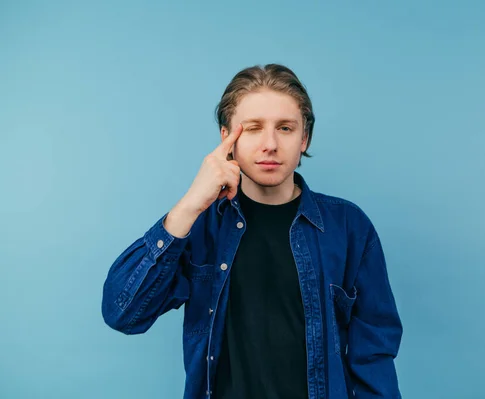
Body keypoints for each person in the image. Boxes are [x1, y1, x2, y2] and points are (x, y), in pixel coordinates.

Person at [101, 63, 403, 399]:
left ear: (304, 138)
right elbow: (122, 313)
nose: (270, 144)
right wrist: (188, 206)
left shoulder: (349, 227)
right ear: (226, 139)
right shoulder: (199, 225)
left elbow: (374, 354)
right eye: (254, 128)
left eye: (285, 128)